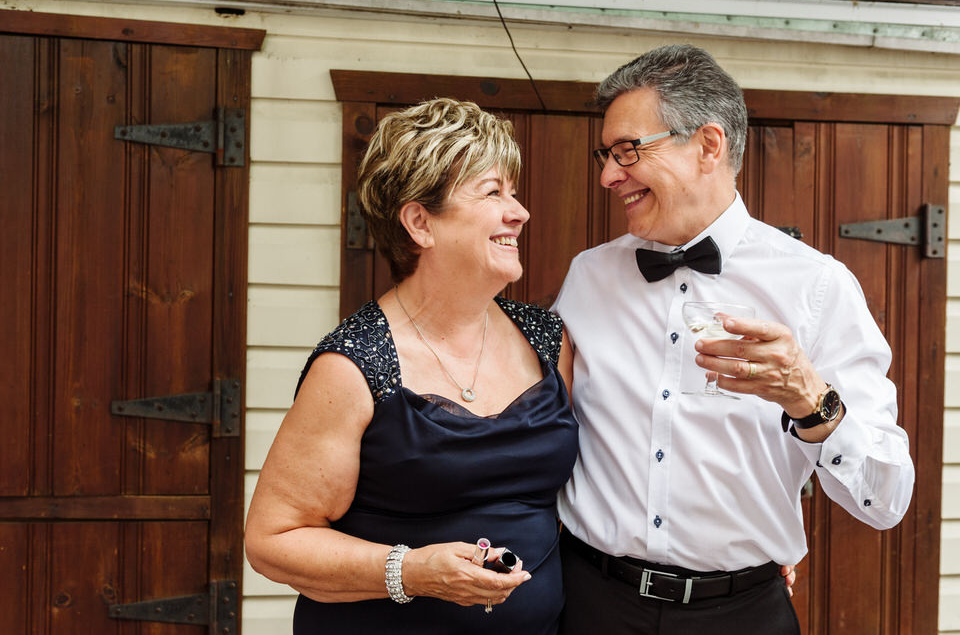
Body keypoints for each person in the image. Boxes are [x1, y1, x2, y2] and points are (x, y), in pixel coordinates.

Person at [553, 44, 915, 634]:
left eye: (627, 152)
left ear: (708, 146)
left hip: (742, 613)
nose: (607, 175)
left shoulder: (817, 287)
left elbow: (886, 501)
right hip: (591, 601)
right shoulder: (587, 277)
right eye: (606, 154)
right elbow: (542, 431)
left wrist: (810, 400)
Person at [244, 98, 579, 634]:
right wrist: (414, 571)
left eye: (511, 193)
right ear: (420, 222)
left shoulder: (547, 338)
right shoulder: (353, 364)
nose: (519, 212)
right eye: (493, 192)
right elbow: (273, 540)